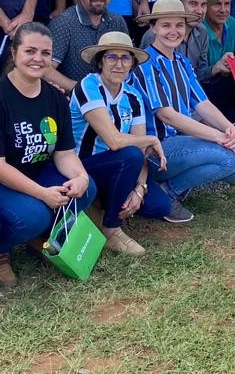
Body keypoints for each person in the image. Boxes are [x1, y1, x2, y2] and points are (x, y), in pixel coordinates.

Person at [0, 23, 143, 288]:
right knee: (34, 214)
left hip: (36, 170)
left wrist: (81, 176)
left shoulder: (54, 98)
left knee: (86, 189)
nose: (38, 59)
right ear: (14, 53)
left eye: (45, 53)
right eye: (30, 51)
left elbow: (64, 153)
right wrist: (41, 193)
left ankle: (42, 237)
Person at [133, 0, 235, 212]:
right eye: (166, 25)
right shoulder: (145, 64)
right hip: (156, 149)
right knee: (227, 158)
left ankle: (174, 185)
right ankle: (168, 192)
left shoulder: (181, 61)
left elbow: (202, 103)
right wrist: (218, 136)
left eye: (179, 25)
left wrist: (230, 130)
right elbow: (167, 116)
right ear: (153, 28)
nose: (174, 31)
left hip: (182, 142)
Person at [69, 32, 176, 250]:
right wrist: (151, 139)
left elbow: (141, 147)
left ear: (132, 64)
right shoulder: (88, 86)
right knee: (129, 154)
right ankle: (111, 229)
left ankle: (100, 206)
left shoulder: (133, 96)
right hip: (82, 166)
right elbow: (115, 141)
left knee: (159, 206)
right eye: (111, 57)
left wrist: (140, 187)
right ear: (100, 61)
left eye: (125, 58)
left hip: (119, 167)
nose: (119, 64)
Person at [45, 0, 132, 97]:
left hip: (114, 101)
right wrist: (83, 91)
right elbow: (45, 69)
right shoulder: (64, 23)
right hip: (73, 105)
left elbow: (127, 65)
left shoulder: (118, 22)